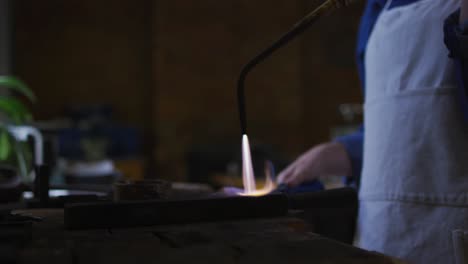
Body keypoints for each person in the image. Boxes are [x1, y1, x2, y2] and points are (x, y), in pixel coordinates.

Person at [277, 0, 468, 263]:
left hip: (453, 233)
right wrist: (342, 151)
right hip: (381, 231)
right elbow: (391, 120)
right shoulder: (377, 10)